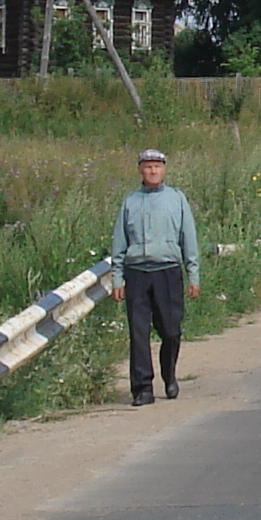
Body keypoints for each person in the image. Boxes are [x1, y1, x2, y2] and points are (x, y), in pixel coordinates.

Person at [109, 146, 199, 404]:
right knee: (138, 333)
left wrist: (193, 275)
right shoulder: (130, 201)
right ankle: (142, 388)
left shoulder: (176, 198)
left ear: (164, 169)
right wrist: (118, 278)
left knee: (170, 331)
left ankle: (169, 375)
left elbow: (188, 238)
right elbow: (119, 241)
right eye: (147, 166)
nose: (152, 170)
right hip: (137, 273)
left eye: (157, 166)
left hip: (167, 272)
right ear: (140, 170)